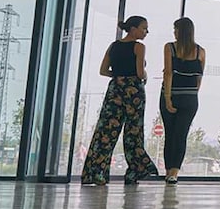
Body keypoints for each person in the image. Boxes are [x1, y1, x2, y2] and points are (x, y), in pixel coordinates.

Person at [81, 16, 158, 186]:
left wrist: (118, 76)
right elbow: (139, 73)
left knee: (106, 131)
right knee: (133, 132)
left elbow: (103, 70)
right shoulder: (139, 46)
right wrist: (145, 75)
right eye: (144, 28)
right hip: (133, 91)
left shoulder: (113, 46)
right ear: (133, 28)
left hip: (115, 89)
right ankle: (135, 171)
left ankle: (96, 172)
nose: (146, 32)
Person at [160, 17, 205, 185]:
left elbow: (168, 73)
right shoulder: (200, 51)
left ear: (181, 31)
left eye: (175, 29)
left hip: (171, 94)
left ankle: (168, 171)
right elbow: (199, 77)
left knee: (170, 135)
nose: (174, 32)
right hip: (190, 97)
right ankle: (174, 173)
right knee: (181, 135)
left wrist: (168, 98)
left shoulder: (170, 48)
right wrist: (192, 95)